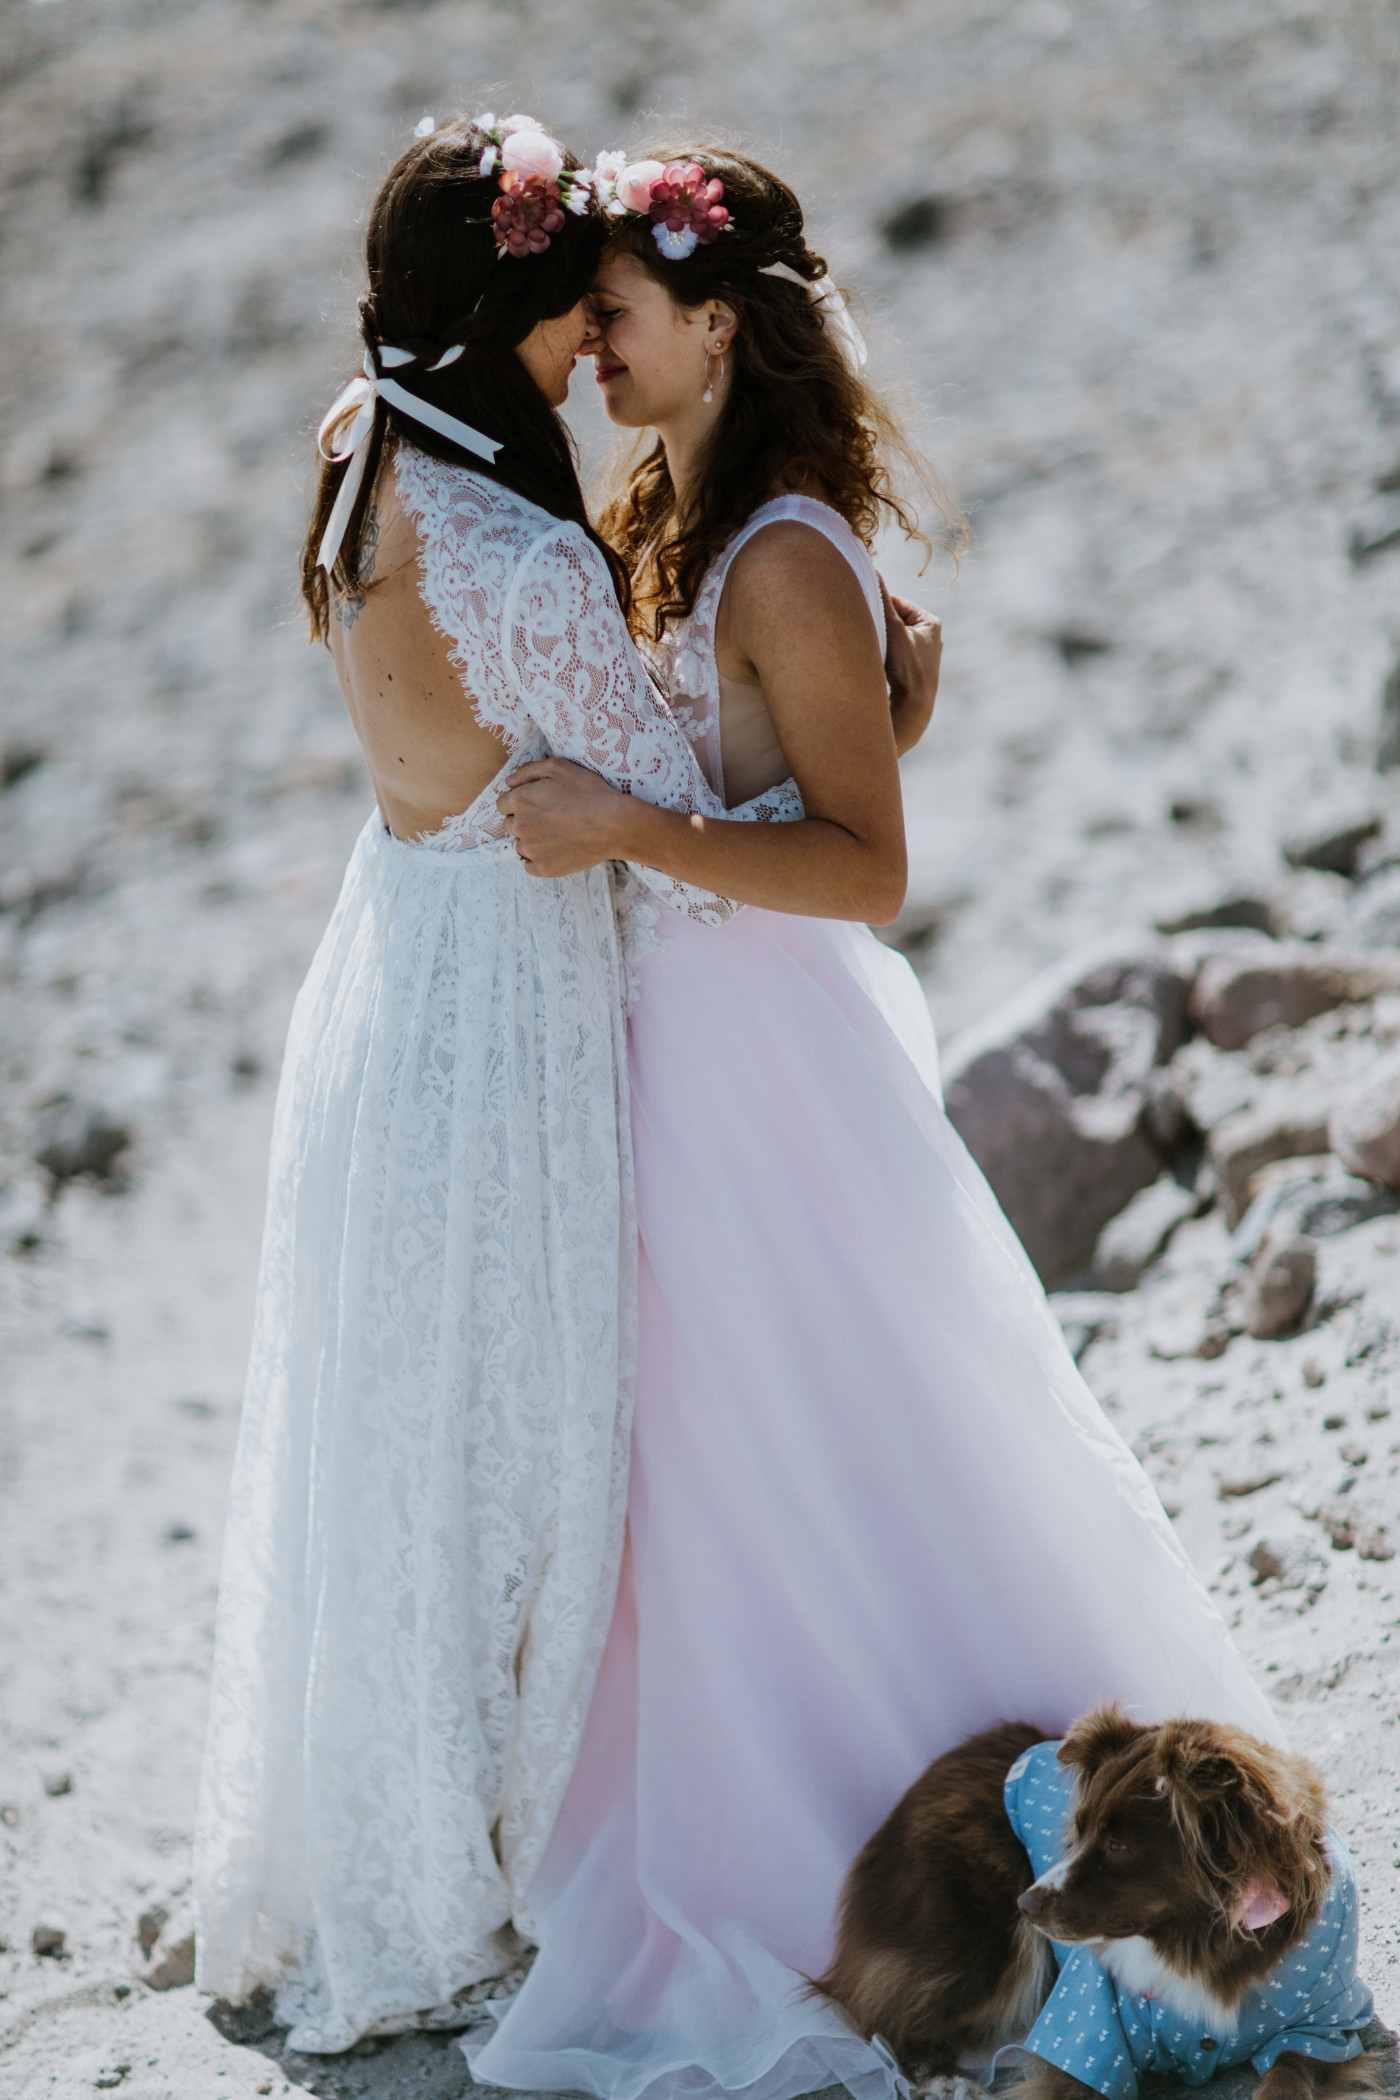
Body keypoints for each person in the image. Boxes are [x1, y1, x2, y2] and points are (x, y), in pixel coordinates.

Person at [471, 147, 1280, 2100]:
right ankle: (815, 1817)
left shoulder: (781, 553)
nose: (593, 350)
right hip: (703, 1048)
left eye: (620, 318)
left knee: (814, 1430)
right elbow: (782, 771)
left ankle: (927, 1839)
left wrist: (619, 827)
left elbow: (862, 869)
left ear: (720, 326)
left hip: (771, 1060)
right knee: (734, 1460)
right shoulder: (690, 518)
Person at [193, 115, 942, 2057]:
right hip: (499, 1023)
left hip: (398, 981)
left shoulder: (362, 445)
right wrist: (869, 705)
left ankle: (414, 1824)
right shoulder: (517, 550)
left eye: (617, 315)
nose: (585, 359)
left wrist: (839, 689)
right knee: (506, 1449)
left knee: (421, 1443)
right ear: (518, 312)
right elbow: (666, 799)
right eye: (570, 314)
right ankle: (476, 1847)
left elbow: (703, 794)